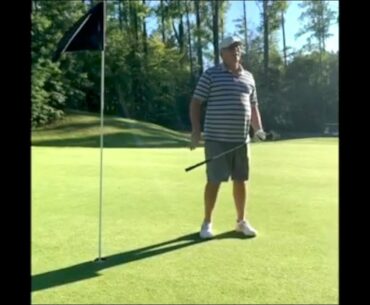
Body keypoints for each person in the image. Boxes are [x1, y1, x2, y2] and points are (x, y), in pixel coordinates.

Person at [189, 36, 266, 239]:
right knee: (214, 180)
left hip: (241, 140)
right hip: (216, 139)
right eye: (232, 48)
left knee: (241, 180)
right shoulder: (211, 75)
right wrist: (196, 130)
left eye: (238, 47)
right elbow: (196, 102)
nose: (236, 51)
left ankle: (241, 222)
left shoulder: (249, 77)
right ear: (222, 53)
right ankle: (207, 222)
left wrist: (258, 129)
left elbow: (253, 105)